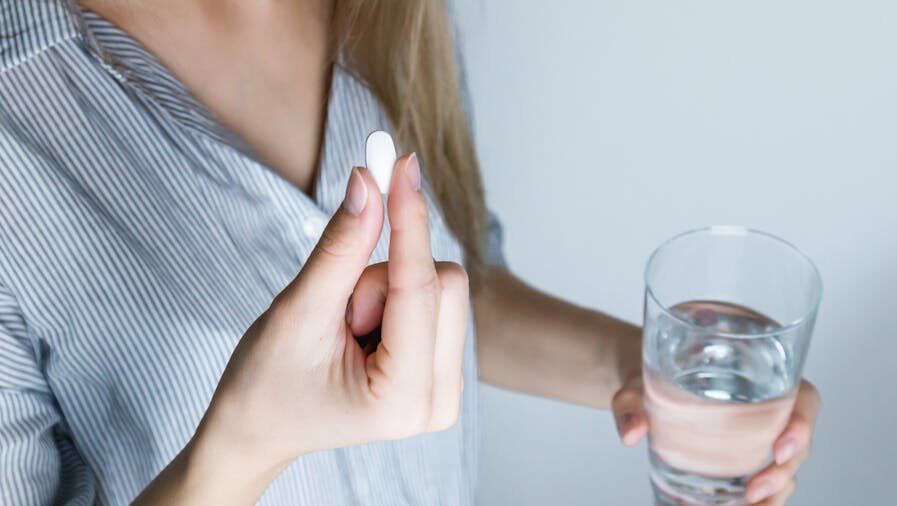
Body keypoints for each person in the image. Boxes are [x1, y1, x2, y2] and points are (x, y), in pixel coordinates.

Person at [0, 1, 820, 505]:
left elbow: (452, 293)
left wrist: (641, 369)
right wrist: (245, 444)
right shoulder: (20, 113)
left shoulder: (396, 14)